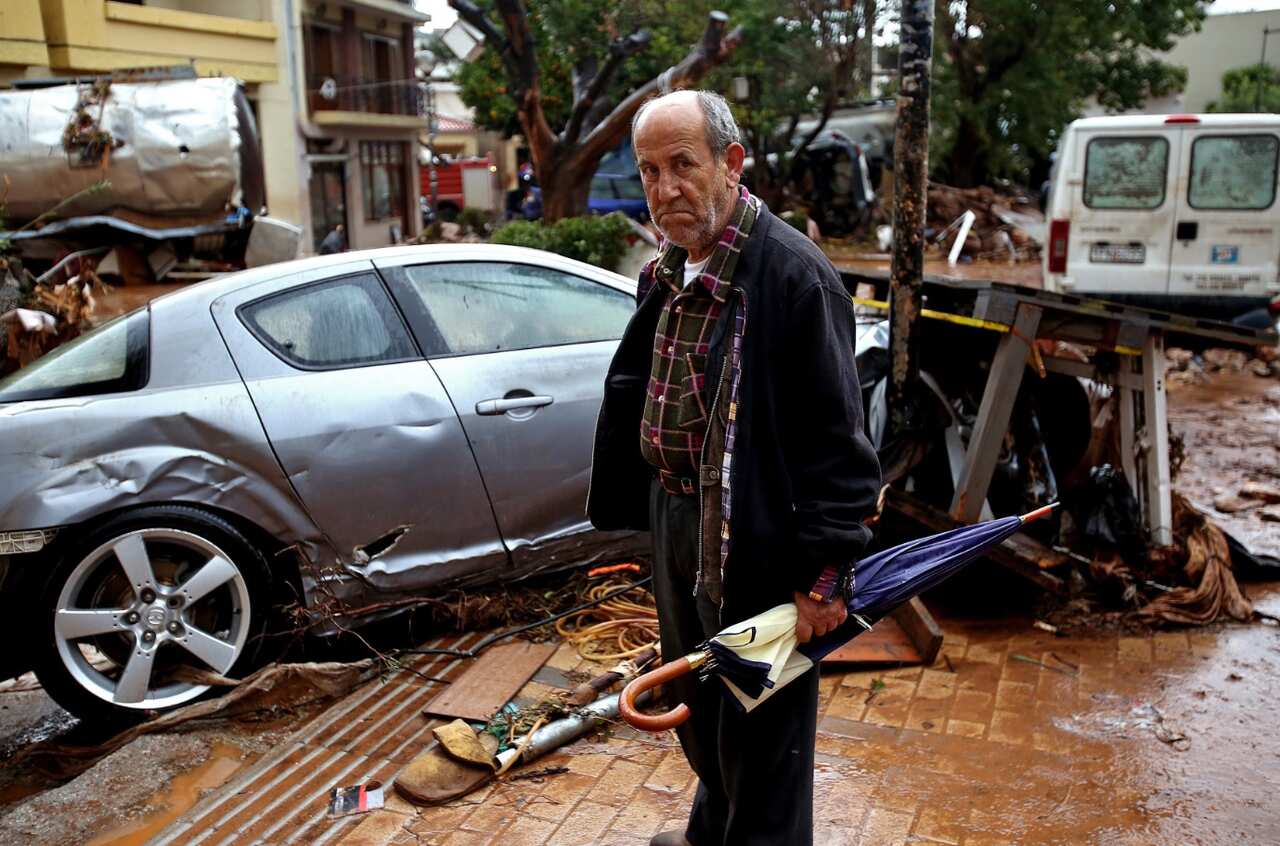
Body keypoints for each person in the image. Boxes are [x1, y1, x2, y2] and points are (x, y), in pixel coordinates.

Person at [587, 90, 882, 846]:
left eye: (683, 164)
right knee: (706, 703)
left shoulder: (792, 277)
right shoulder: (674, 268)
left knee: (767, 735)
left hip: (761, 535)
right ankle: (712, 830)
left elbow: (837, 443)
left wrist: (826, 574)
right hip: (683, 519)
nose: (665, 189)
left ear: (731, 162)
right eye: (651, 171)